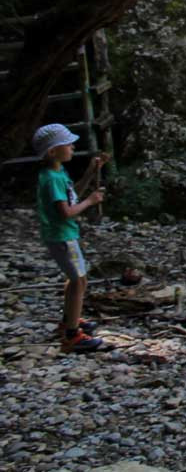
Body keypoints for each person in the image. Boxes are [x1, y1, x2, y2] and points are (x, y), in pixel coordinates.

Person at [34, 123, 108, 354]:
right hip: (62, 236)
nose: (73, 147)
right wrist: (91, 202)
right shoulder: (52, 178)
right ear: (52, 151)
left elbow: (71, 195)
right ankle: (72, 335)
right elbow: (66, 211)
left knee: (77, 279)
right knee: (78, 281)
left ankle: (70, 320)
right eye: (67, 144)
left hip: (64, 235)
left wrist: (89, 172)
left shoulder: (57, 174)